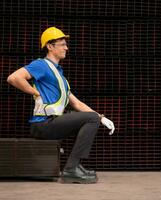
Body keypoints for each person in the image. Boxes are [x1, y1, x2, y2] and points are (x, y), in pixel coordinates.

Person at [7, 27, 115, 184]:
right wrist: (35, 93)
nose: (66, 48)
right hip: (43, 124)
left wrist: (101, 118)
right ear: (50, 46)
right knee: (91, 119)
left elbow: (76, 103)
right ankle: (71, 169)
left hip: (53, 123)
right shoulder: (42, 65)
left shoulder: (59, 75)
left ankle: (75, 165)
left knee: (91, 119)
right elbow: (14, 78)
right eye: (62, 44)